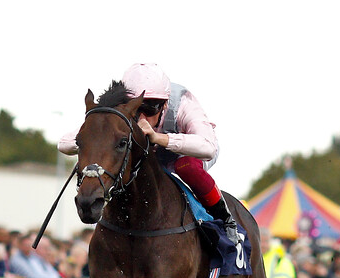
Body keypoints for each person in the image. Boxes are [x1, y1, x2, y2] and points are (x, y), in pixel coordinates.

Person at [59, 63, 239, 244]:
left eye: (151, 108)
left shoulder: (184, 104)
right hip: (148, 158)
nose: (143, 117)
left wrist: (159, 138)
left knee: (187, 167)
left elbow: (209, 147)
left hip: (186, 157)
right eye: (137, 109)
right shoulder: (120, 112)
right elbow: (64, 144)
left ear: (165, 103)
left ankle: (225, 220)